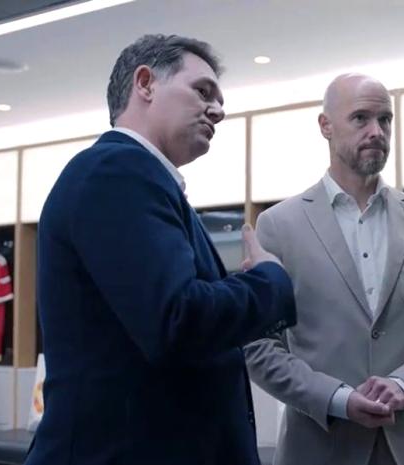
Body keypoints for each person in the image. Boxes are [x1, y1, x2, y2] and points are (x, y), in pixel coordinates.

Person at [25, 34, 296, 465]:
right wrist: (270, 280)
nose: (218, 110)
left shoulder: (139, 178)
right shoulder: (117, 170)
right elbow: (178, 319)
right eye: (202, 91)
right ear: (145, 83)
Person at [245, 73, 404, 465]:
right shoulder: (279, 225)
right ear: (325, 126)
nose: (376, 131)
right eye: (361, 118)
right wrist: (336, 399)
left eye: (385, 120)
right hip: (319, 446)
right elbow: (260, 345)